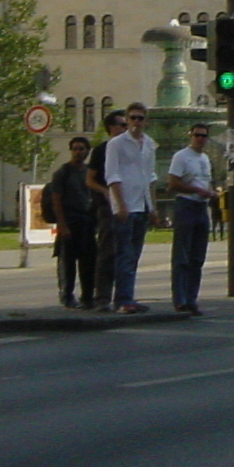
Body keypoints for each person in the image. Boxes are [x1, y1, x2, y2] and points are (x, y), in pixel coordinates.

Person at [104, 102, 159, 314]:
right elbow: (112, 176)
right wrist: (120, 205)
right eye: (133, 118)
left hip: (142, 206)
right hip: (125, 206)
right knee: (124, 254)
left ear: (146, 121)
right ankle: (123, 299)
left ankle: (127, 297)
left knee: (134, 255)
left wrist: (152, 208)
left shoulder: (149, 144)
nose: (136, 122)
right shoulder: (116, 144)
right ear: (126, 120)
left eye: (140, 118)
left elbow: (150, 177)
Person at [168, 123, 216, 315]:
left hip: (201, 207)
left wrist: (211, 192)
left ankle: (191, 299)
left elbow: (206, 181)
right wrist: (196, 190)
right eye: (197, 135)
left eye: (203, 136)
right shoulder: (181, 157)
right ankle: (180, 300)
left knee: (197, 257)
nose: (200, 139)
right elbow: (172, 183)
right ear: (190, 136)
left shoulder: (205, 158)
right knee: (182, 256)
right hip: (185, 205)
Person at [42, 136, 96, 309]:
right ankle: (67, 294)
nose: (78, 152)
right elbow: (56, 200)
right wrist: (62, 224)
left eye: (81, 149)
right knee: (67, 262)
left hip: (86, 221)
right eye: (75, 149)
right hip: (69, 220)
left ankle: (87, 296)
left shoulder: (90, 171)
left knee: (88, 261)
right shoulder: (62, 173)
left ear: (88, 151)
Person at [86, 111, 128, 310]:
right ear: (111, 127)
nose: (125, 128)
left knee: (127, 252)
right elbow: (90, 179)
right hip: (107, 208)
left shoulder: (130, 147)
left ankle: (124, 296)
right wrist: (106, 191)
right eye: (121, 124)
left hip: (129, 205)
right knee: (107, 252)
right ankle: (102, 297)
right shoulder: (102, 150)